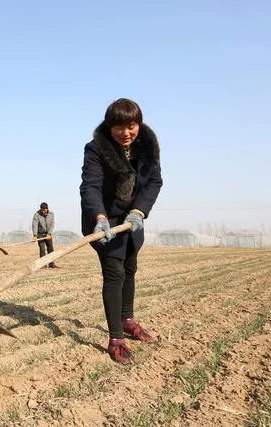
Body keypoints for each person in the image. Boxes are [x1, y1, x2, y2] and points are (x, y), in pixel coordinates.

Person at [79, 98, 163, 364]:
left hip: (133, 218)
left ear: (138, 124)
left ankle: (128, 320)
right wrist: (99, 216)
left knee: (130, 268)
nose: (125, 133)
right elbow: (90, 186)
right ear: (109, 126)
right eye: (118, 127)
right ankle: (116, 338)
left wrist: (139, 211)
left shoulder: (147, 148)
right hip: (104, 219)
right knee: (114, 273)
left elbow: (154, 182)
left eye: (131, 125)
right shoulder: (95, 149)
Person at [31, 202, 58, 268]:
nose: (43, 211)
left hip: (48, 234)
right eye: (42, 210)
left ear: (47, 209)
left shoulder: (51, 214)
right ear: (40, 209)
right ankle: (43, 265)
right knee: (42, 249)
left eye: (45, 210)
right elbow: (34, 225)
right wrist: (34, 235)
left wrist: (49, 233)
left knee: (50, 248)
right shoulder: (37, 214)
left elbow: (52, 224)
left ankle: (51, 264)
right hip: (40, 234)